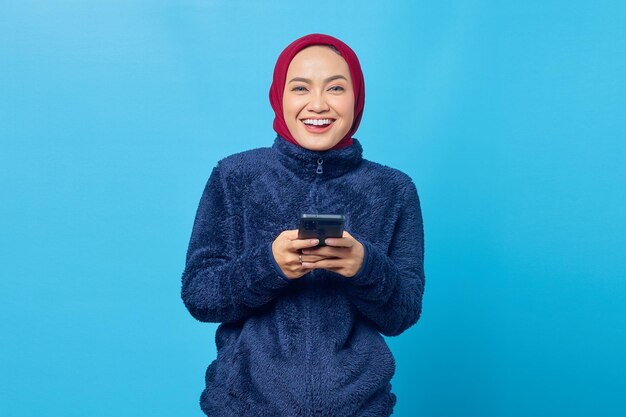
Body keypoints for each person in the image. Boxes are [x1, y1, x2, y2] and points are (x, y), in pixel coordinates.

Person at [181, 33, 425, 417]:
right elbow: (199, 295)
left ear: (356, 97)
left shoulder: (394, 190)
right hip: (243, 407)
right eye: (300, 88)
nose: (318, 104)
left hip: (359, 408)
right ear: (279, 95)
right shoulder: (235, 176)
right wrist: (268, 266)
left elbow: (402, 314)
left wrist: (364, 267)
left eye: (336, 88)